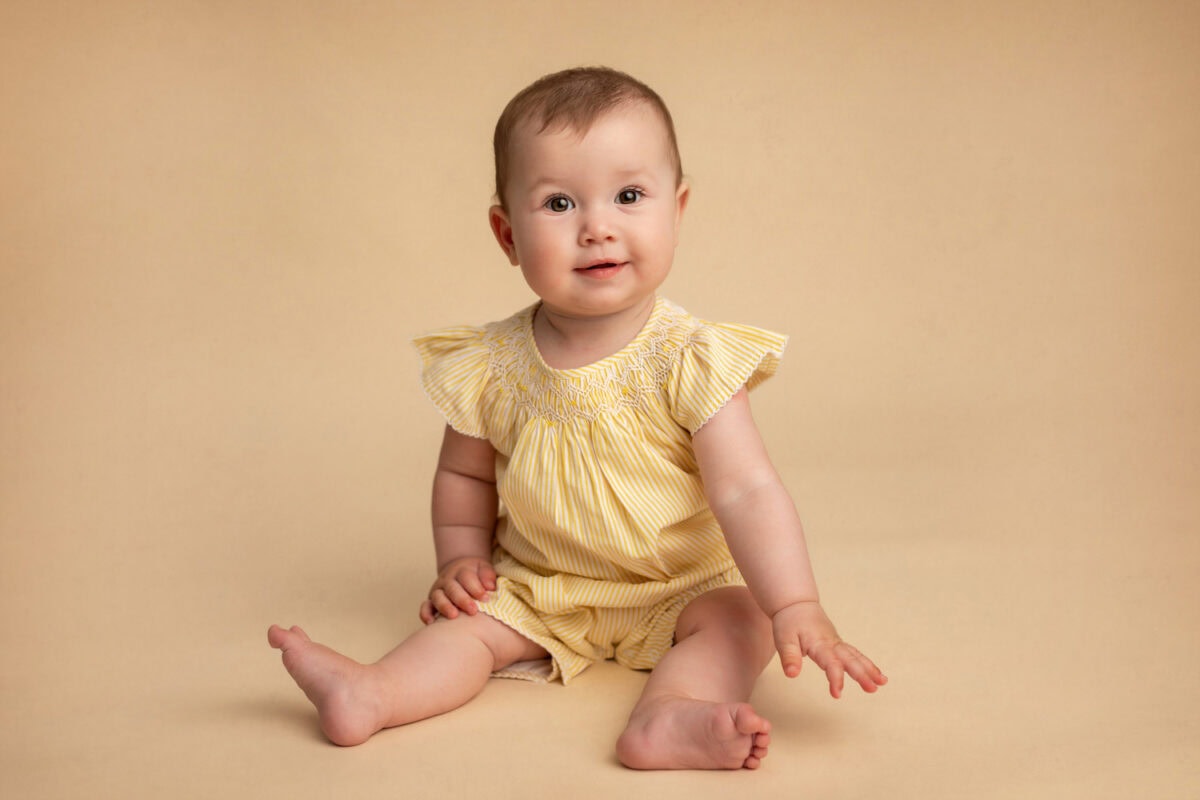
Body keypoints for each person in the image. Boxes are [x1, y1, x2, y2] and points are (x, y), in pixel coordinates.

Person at [268, 66, 886, 770]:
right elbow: (464, 477)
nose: (597, 228)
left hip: (682, 585)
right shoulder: (490, 364)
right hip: (540, 584)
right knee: (468, 625)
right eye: (559, 203)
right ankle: (374, 693)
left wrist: (795, 604)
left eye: (629, 196)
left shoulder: (691, 356)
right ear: (506, 234)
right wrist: (461, 561)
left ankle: (669, 715)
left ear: (677, 210)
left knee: (743, 620)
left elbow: (746, 490)